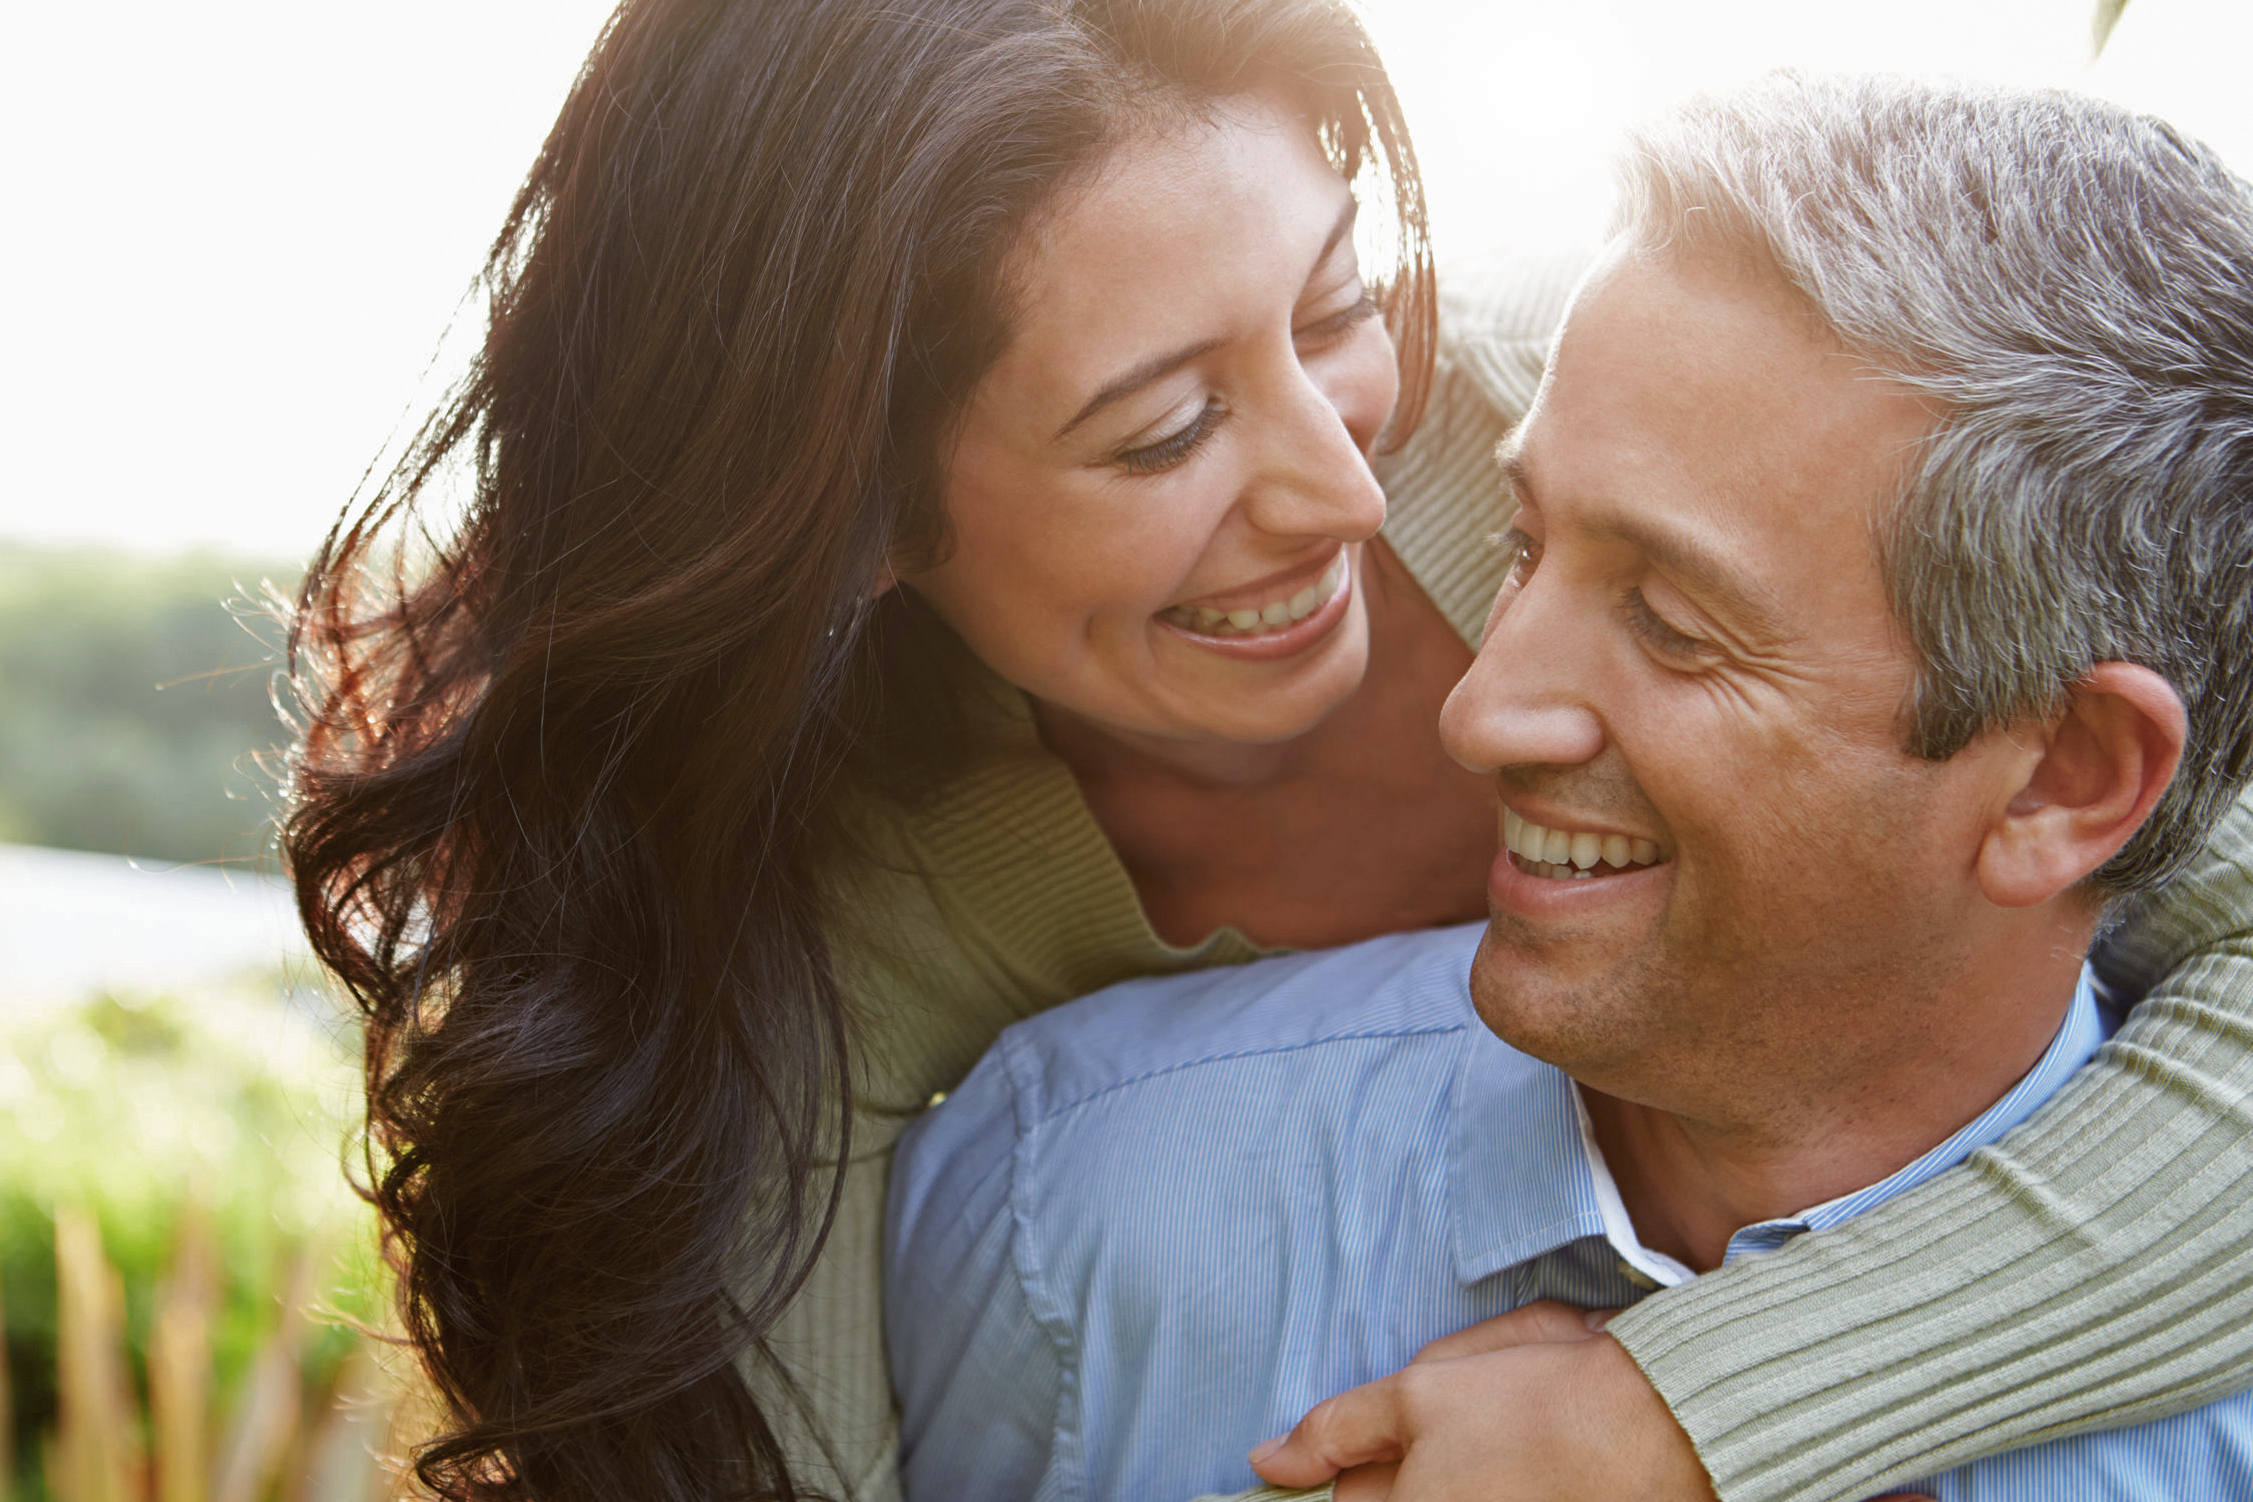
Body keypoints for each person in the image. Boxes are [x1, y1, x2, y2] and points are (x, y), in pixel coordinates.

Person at [280, 0, 2253, 1492]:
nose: (1338, 481)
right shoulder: (834, 934)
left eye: (1328, 308)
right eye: (1158, 432)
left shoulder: (1655, 432)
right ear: (854, 511)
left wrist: (1682, 1417)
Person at [886, 72, 2253, 1502]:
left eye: (1670, 619)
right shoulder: (1070, 1202)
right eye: (1522, 542)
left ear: (2064, 776)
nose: (1476, 711)